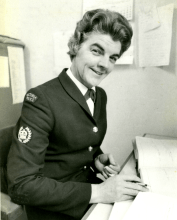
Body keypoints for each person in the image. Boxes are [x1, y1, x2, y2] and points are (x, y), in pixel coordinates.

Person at [7, 9, 148, 220]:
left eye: (113, 57)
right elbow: (21, 185)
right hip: (55, 209)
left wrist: (95, 159)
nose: (104, 65)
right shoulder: (41, 99)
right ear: (76, 46)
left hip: (87, 196)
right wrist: (100, 192)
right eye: (97, 51)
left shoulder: (99, 95)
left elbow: (75, 144)